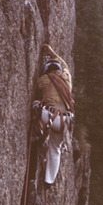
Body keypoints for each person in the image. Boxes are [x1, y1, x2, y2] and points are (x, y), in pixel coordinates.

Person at [33, 44, 74, 185]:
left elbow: (40, 94)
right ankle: (49, 180)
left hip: (48, 116)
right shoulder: (67, 79)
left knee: (36, 104)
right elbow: (64, 64)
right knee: (55, 149)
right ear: (60, 71)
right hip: (64, 121)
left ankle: (36, 134)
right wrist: (52, 52)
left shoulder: (43, 80)